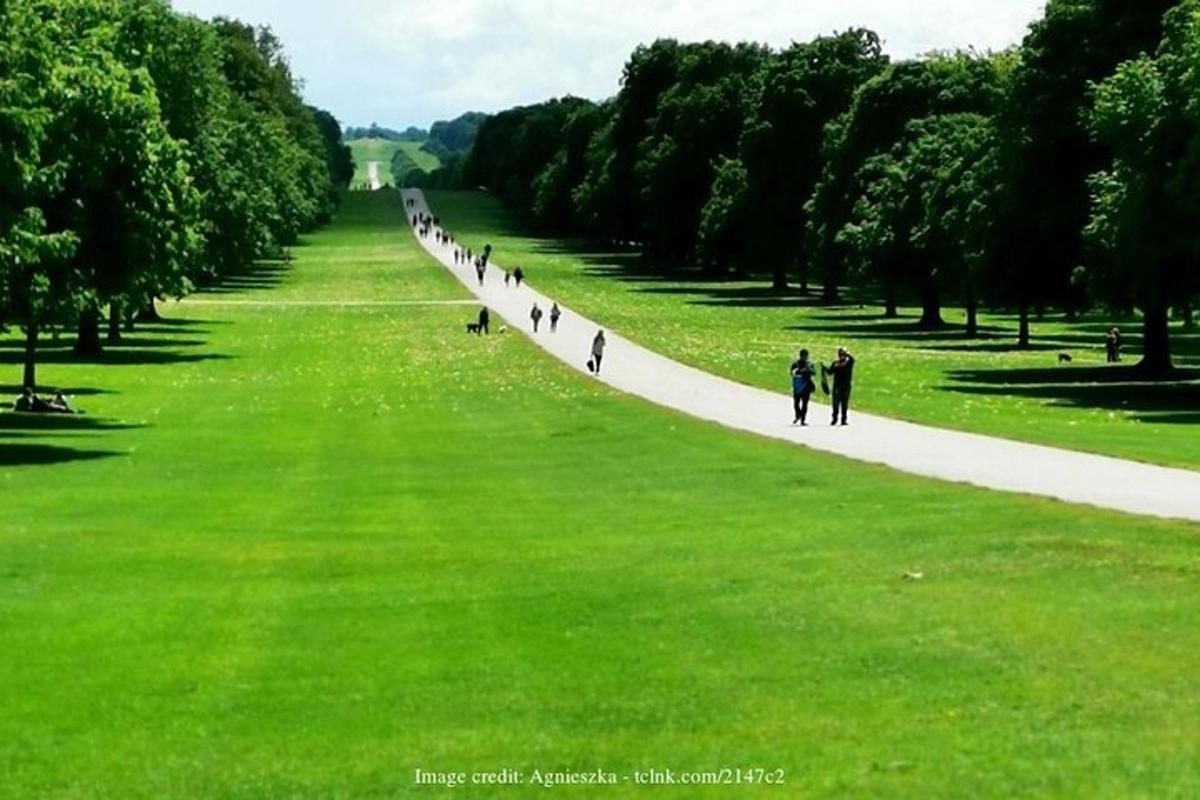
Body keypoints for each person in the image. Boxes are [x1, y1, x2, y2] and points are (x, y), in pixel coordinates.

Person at [824, 347, 855, 426]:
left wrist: (847, 353)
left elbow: (852, 359)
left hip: (846, 386)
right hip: (837, 386)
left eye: (843, 354)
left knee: (845, 403)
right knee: (836, 403)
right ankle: (834, 418)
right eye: (840, 354)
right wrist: (824, 368)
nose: (842, 356)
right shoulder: (835, 363)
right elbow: (830, 372)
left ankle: (844, 419)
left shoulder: (849, 363)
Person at [789, 349, 816, 425]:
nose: (805, 357)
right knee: (796, 403)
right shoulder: (796, 364)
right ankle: (798, 415)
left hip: (806, 386)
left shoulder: (809, 364)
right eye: (804, 356)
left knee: (805, 404)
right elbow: (793, 373)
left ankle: (803, 419)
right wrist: (803, 371)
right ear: (801, 356)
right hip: (798, 386)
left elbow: (813, 372)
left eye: (806, 356)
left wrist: (807, 370)